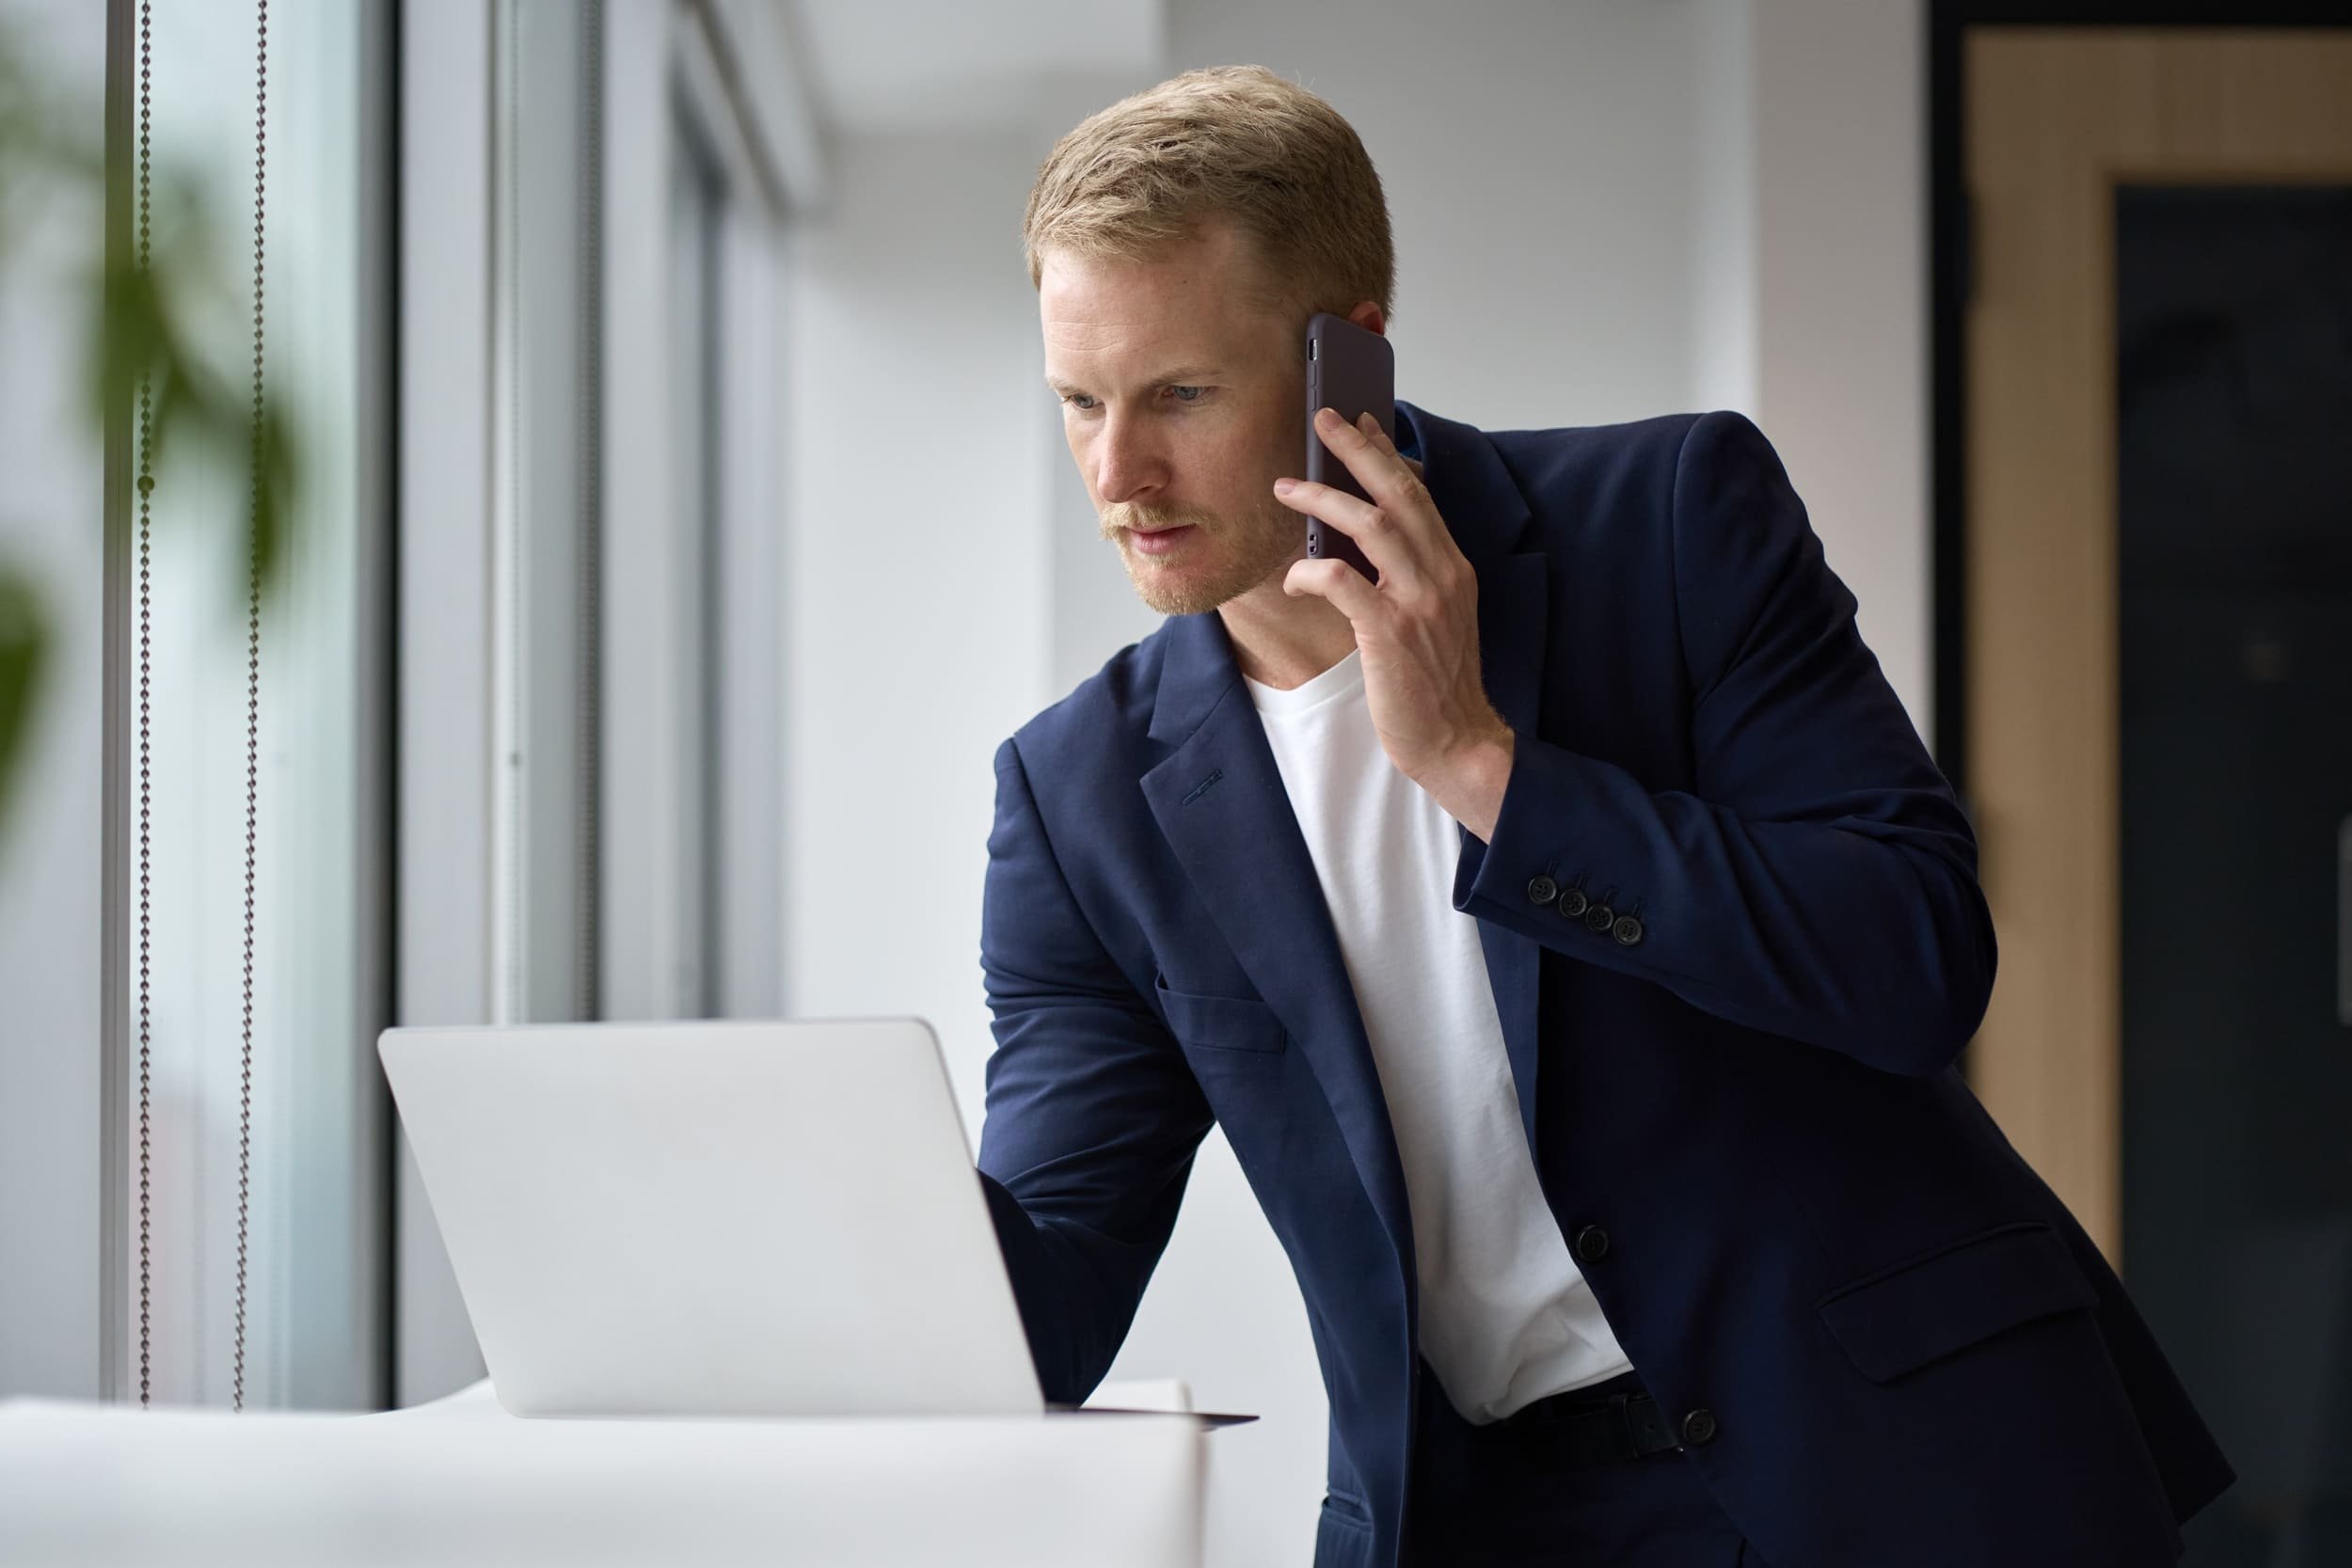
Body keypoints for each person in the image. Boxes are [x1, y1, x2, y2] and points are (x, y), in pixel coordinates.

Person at [974, 65, 2231, 1568]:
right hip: (1491, 1519)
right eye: (1079, 401)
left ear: (1347, 364)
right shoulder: (1081, 796)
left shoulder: (1672, 524)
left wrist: (1483, 767)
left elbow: (1913, 959)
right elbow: (1050, 1276)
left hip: (1901, 1471)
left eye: (1181, 394)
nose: (1119, 475)